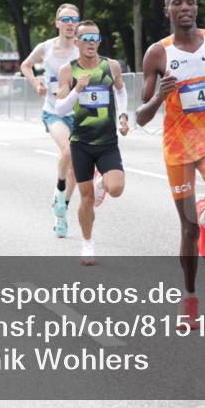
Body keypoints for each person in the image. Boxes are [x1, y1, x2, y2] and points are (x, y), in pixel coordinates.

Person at [136, 0, 205, 329]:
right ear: (167, 11)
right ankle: (190, 298)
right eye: (176, 3)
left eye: (190, 2)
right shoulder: (158, 54)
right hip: (178, 148)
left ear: (197, 8)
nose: (185, 7)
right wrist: (159, 97)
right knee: (187, 229)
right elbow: (141, 115)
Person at [53, 21, 130, 265]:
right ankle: (87, 243)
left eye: (95, 38)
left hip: (107, 141)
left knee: (116, 188)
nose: (91, 42)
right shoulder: (68, 70)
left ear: (99, 41)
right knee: (86, 200)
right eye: (85, 38)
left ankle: (102, 184)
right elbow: (60, 107)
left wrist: (123, 116)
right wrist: (78, 89)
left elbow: (120, 90)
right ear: (76, 42)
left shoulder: (111, 66)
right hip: (81, 143)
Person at [21, 4, 81, 238]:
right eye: (65, 19)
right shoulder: (45, 48)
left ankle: (62, 210)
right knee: (67, 151)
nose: (69, 23)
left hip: (79, 112)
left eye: (73, 19)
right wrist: (36, 83)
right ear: (57, 23)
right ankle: (59, 189)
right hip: (53, 110)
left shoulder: (82, 48)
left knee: (77, 170)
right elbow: (25, 65)